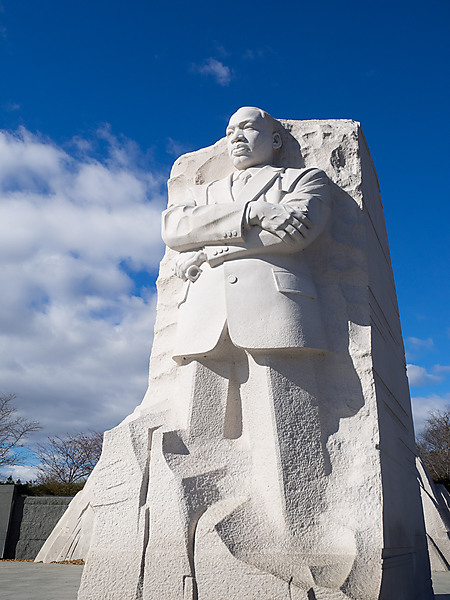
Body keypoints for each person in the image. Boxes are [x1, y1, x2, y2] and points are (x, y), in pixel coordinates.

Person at [157, 107, 335, 597]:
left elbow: (297, 233)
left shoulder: (306, 178)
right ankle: (192, 549)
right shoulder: (207, 190)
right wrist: (252, 216)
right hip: (205, 318)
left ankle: (299, 544)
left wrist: (215, 247)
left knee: (286, 434)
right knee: (198, 436)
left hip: (276, 307)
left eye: (248, 128)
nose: (235, 137)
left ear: (276, 140)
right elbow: (175, 231)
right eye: (229, 130)